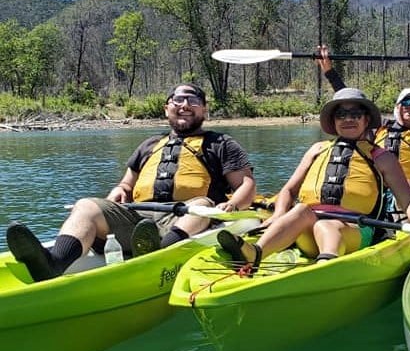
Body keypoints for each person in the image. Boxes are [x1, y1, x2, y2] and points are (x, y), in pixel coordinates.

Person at [7, 83, 256, 282]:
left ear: (204, 110)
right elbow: (126, 184)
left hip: (188, 217)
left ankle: (157, 253)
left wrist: (233, 204)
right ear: (166, 108)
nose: (185, 106)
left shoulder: (220, 143)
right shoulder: (149, 145)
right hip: (139, 222)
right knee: (86, 206)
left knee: (201, 204)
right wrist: (119, 190)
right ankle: (53, 263)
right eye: (177, 101)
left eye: (193, 101)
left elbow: (246, 185)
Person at [217, 87, 410, 271]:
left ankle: (326, 265)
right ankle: (255, 253)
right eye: (341, 114)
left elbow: (408, 199)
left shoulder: (382, 157)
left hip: (355, 231)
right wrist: (279, 215)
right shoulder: (317, 149)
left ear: (366, 120)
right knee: (301, 211)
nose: (348, 119)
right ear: (333, 120)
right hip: (308, 231)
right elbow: (289, 191)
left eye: (355, 114)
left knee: (326, 226)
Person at [315, 45, 410, 189]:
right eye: (406, 101)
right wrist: (329, 71)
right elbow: (350, 100)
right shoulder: (378, 125)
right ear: (398, 106)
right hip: (375, 189)